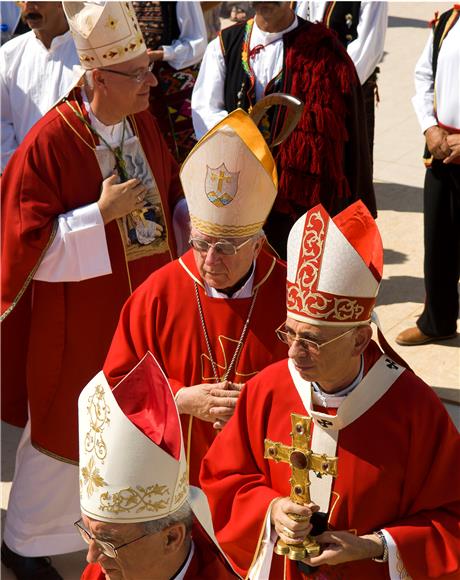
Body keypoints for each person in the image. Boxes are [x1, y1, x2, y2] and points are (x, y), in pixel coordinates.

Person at [1, 2, 183, 578]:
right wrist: (97, 214)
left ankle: (123, 531)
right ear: (98, 78)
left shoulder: (142, 121)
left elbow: (170, 192)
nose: (152, 82)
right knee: (61, 428)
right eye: (140, 74)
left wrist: (194, 215)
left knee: (130, 421)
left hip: (138, 309)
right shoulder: (50, 142)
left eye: (151, 68)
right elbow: (19, 247)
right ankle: (23, 542)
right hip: (75, 315)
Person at [200, 200, 460, 579]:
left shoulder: (412, 407)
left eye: (312, 340)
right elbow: (223, 477)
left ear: (359, 340)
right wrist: (270, 511)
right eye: (289, 333)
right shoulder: (268, 389)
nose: (293, 352)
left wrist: (375, 546)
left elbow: (452, 518)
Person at [103, 108, 288, 487]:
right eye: (200, 244)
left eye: (225, 246)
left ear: (256, 246)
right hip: (175, 480)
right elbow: (117, 382)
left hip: (266, 481)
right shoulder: (159, 293)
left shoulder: (290, 295)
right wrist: (181, 399)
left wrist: (259, 404)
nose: (209, 259)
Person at [192, 1, 375, 258]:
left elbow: (350, 143)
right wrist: (242, 136)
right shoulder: (224, 46)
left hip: (300, 202)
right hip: (238, 190)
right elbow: (205, 111)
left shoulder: (326, 51)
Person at [77, 352, 239, 579]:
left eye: (109, 543)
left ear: (171, 538)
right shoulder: (100, 574)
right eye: (88, 534)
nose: (92, 558)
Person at [396, 6, 459, 346]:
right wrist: (429, 127)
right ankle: (438, 320)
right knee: (439, 242)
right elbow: (424, 76)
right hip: (441, 149)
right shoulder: (450, 19)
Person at [295, 1, 388, 167]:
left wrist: (326, 88)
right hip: (299, 91)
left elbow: (367, 51)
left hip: (342, 96)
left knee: (344, 168)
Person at [1, 1, 79, 171]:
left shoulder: (89, 50)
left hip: (78, 172)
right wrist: (18, 168)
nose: (28, 6)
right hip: (24, 173)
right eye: (23, 0)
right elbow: (2, 122)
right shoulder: (8, 54)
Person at [133, 1, 207, 162]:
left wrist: (163, 54)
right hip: (134, 82)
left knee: (185, 157)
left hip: (174, 84)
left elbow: (197, 43)